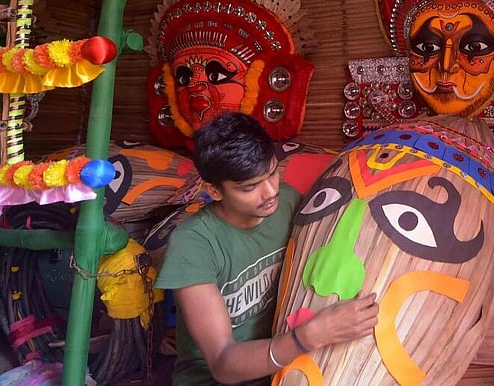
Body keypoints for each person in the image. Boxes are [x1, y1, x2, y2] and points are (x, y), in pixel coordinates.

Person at [155, 112, 379, 385]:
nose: (270, 191)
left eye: (272, 172)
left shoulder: (286, 201)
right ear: (214, 191)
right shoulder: (193, 243)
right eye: (249, 187)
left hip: (283, 366)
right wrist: (314, 333)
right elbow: (223, 363)